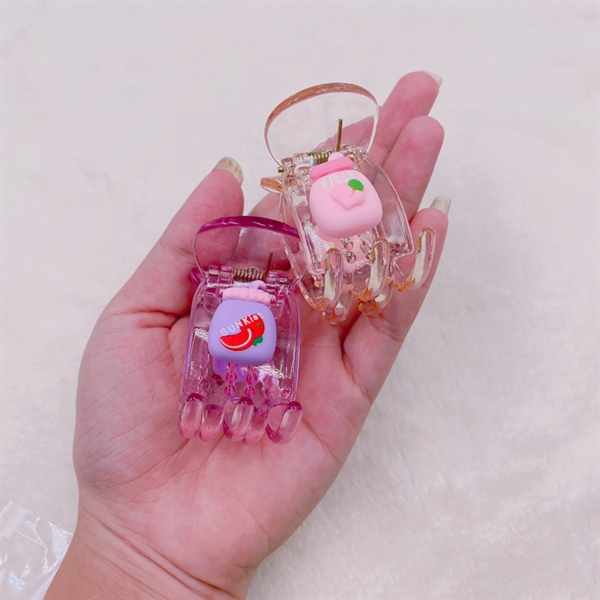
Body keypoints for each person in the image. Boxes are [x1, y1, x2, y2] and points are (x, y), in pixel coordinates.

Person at [45, 72, 450, 599]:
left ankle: (268, 389)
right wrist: (136, 553)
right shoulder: (238, 292)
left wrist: (138, 561)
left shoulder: (345, 187)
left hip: (309, 272)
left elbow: (365, 210)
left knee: (338, 285)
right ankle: (222, 403)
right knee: (227, 378)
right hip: (249, 325)